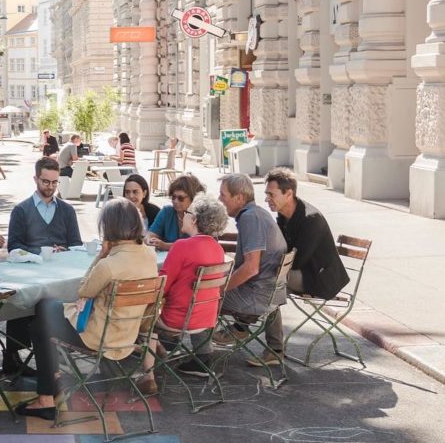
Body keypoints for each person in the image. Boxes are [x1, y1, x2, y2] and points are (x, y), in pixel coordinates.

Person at [15, 198, 159, 419]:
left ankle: (46, 396)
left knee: (41, 316)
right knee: (45, 315)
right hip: (128, 335)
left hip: (99, 336)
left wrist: (101, 255)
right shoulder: (149, 255)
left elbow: (83, 289)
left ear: (109, 227)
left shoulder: (109, 264)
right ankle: (52, 381)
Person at [137, 193, 228, 390]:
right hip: (206, 318)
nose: (183, 215)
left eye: (187, 213)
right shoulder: (217, 249)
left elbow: (162, 286)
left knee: (145, 318)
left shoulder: (182, 246)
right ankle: (161, 352)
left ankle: (148, 376)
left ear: (194, 219)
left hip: (177, 319)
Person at [4, 156, 84, 375]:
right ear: (35, 179)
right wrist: (39, 252)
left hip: (60, 275)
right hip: (31, 274)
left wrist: (66, 251)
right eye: (45, 181)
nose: (50, 187)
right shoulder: (21, 211)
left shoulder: (67, 211)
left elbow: (76, 244)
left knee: (51, 305)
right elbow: (13, 247)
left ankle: (52, 349)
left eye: (54, 182)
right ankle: (13, 354)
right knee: (22, 303)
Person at [262, 167, 349, 352]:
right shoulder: (284, 216)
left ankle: (268, 345)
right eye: (266, 194)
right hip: (303, 272)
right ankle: (264, 340)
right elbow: (281, 250)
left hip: (320, 279)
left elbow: (297, 260)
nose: (267, 199)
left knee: (271, 282)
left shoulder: (310, 219)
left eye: (271, 194)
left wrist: (268, 265)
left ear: (289, 193)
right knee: (267, 279)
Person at [216, 173, 288, 367]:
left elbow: (250, 268)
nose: (219, 200)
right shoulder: (257, 213)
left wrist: (220, 290)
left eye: (223, 195)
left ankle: (201, 357)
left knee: (199, 296)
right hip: (272, 292)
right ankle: (270, 346)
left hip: (257, 297)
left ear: (239, 197)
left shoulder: (250, 218)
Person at [146, 174, 206, 249]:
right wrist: (150, 240)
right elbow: (150, 234)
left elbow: (196, 245)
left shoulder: (201, 217)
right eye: (173, 197)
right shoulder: (166, 212)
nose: (175, 201)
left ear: (193, 198)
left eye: (181, 198)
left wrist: (165, 245)